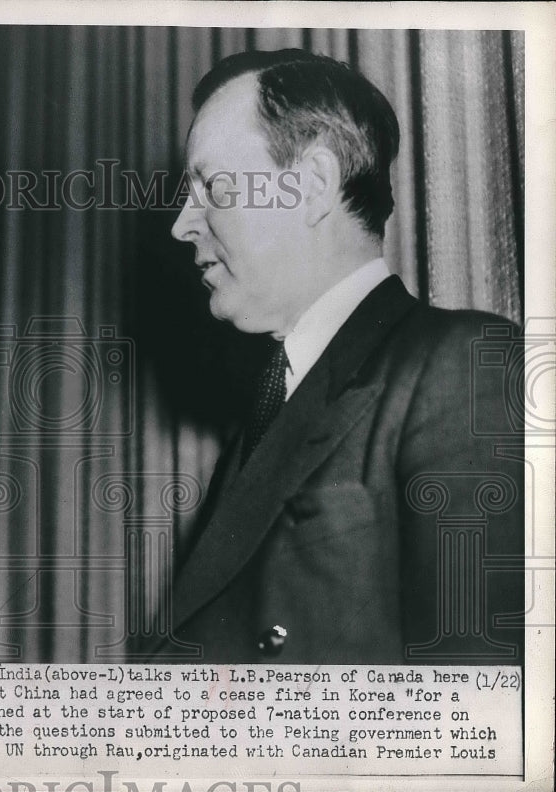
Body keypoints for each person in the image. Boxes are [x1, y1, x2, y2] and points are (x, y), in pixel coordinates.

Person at [159, 50, 523, 664]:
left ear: (312, 185)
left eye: (213, 187)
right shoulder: (262, 420)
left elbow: (479, 692)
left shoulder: (463, 366)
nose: (181, 225)